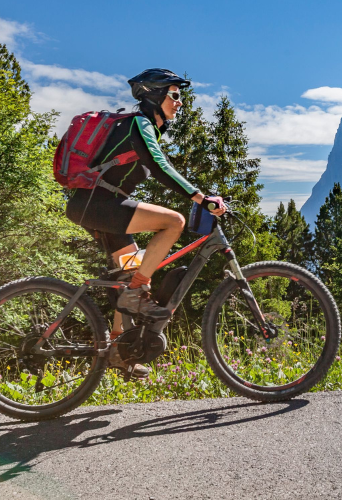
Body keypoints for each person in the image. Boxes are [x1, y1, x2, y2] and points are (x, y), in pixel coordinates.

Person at [64, 68, 226, 377]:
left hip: (95, 206)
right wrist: (200, 198)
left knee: (130, 276)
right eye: (175, 95)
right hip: (97, 205)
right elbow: (159, 166)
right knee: (173, 223)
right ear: (155, 96)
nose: (180, 102)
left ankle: (116, 351)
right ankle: (135, 292)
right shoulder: (140, 125)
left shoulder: (144, 127)